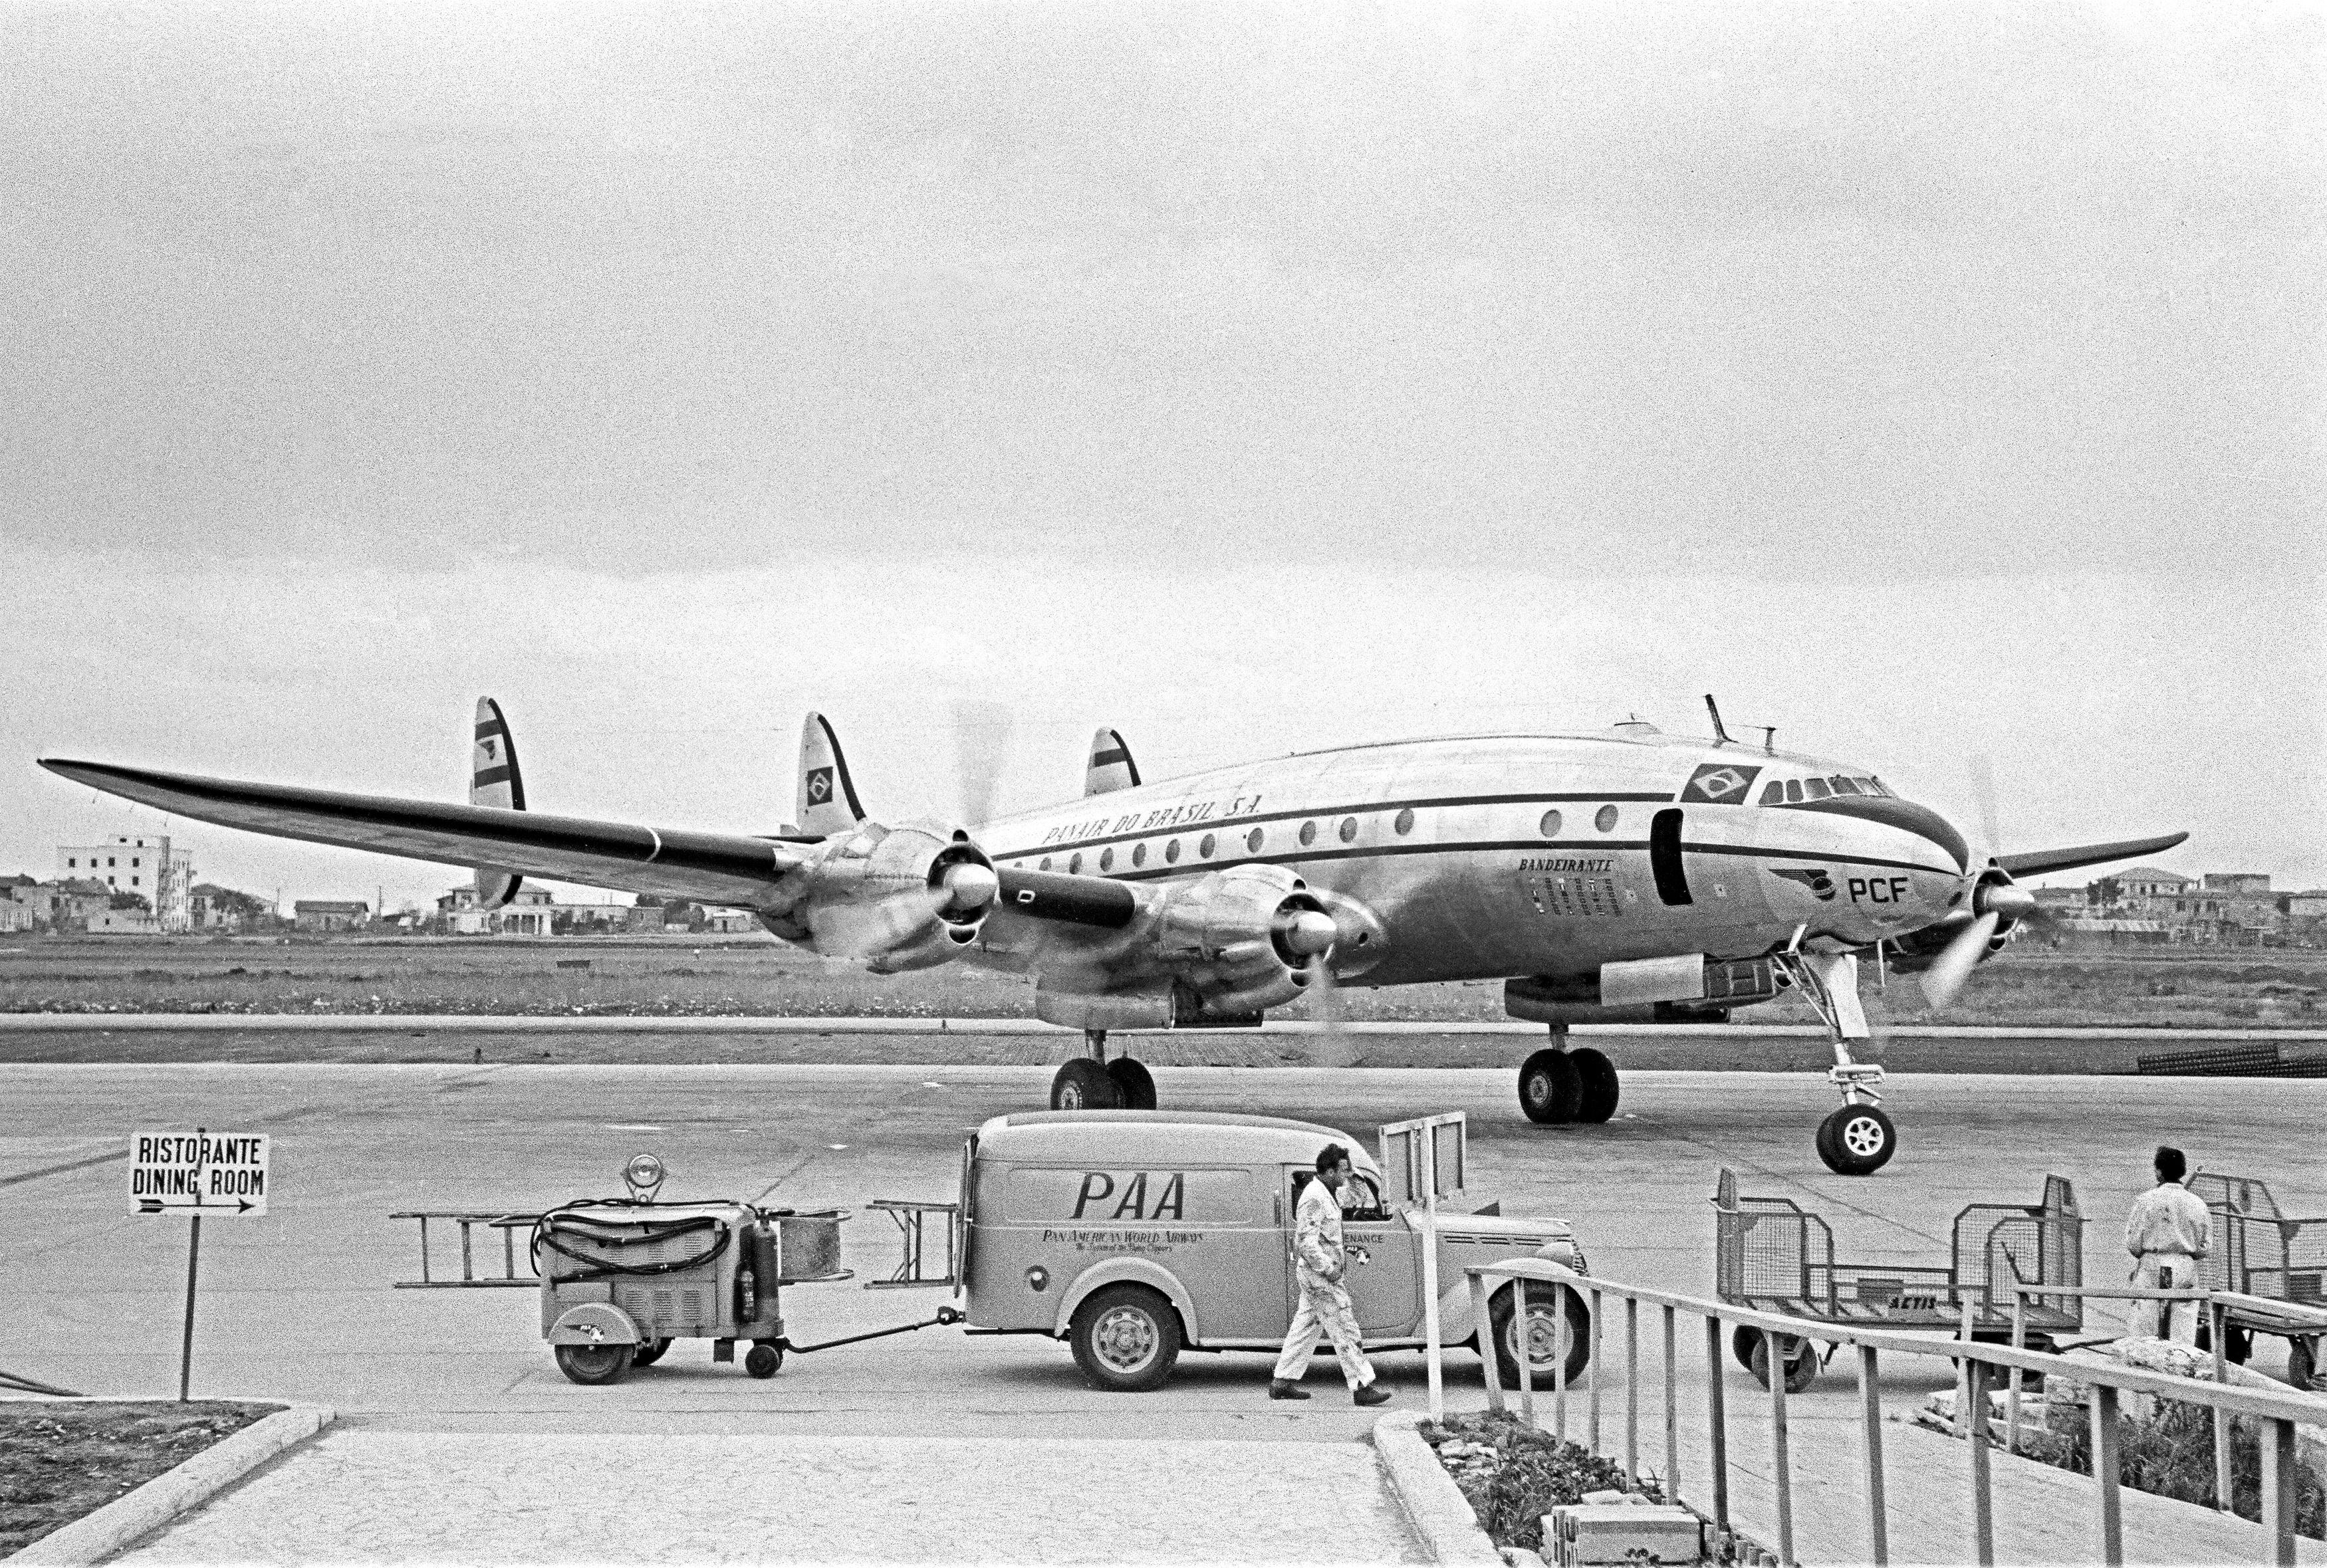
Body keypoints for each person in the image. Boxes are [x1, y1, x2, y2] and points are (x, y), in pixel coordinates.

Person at [1271, 1143, 1392, 1405]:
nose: (1346, 1177)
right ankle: (1362, 1386)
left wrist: (1350, 1168)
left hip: (1317, 1274)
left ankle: (1282, 1381)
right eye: (1342, 1171)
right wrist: (1329, 1268)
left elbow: (1358, 1194)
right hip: (1321, 1275)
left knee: (1306, 1326)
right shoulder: (1315, 1197)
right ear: (1328, 1171)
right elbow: (1305, 1241)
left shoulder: (1327, 1191)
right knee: (1345, 1327)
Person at [2124, 1145, 2213, 1344]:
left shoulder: (2145, 1201)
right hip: (2184, 1266)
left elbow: (2133, 1243)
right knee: (2182, 1329)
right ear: (2183, 1171)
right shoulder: (2198, 1203)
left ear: (2158, 1171)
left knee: (2145, 1326)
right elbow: (2205, 1247)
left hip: (2152, 1264)